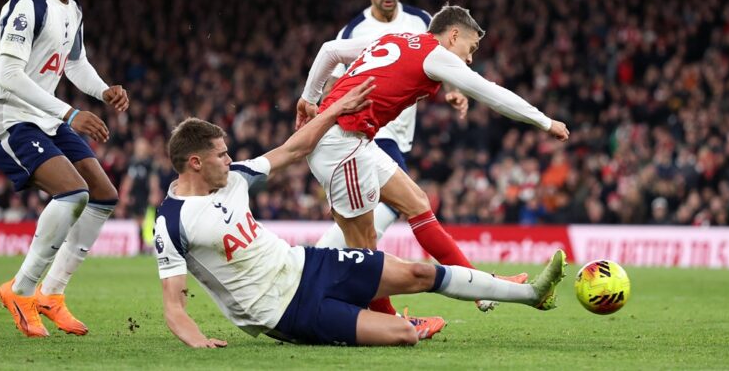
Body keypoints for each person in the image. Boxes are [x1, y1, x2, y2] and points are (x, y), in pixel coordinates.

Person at [155, 94, 567, 347]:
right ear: (195, 162)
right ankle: (398, 321)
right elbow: (174, 304)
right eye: (222, 154)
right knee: (403, 336)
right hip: (288, 313)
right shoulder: (172, 222)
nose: (230, 159)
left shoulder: (235, 178)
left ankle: (532, 294)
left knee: (421, 273)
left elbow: (293, 148)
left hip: (309, 264)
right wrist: (198, 342)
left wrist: (335, 110)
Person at [295, 5, 570, 314]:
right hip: (340, 144)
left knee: (417, 203)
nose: (469, 58)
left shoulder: (398, 37)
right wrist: (545, 122)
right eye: (471, 47)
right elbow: (490, 93)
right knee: (365, 247)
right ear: (453, 35)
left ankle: (478, 286)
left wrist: (309, 98)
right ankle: (389, 321)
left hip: (353, 139)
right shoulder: (434, 53)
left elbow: (329, 50)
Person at [314, 0, 489, 316]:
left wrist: (454, 90)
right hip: (368, 132)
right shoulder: (352, 32)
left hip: (397, 132)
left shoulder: (422, 21)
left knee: (385, 213)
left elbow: (442, 63)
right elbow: (335, 78)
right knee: (401, 205)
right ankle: (333, 266)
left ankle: (333, 265)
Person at [0, 0, 129, 338]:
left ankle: (52, 295)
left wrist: (103, 90)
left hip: (45, 118)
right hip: (8, 119)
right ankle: (22, 289)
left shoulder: (71, 8)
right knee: (73, 193)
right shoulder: (27, 4)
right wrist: (71, 113)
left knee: (103, 196)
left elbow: (74, 64)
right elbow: (8, 76)